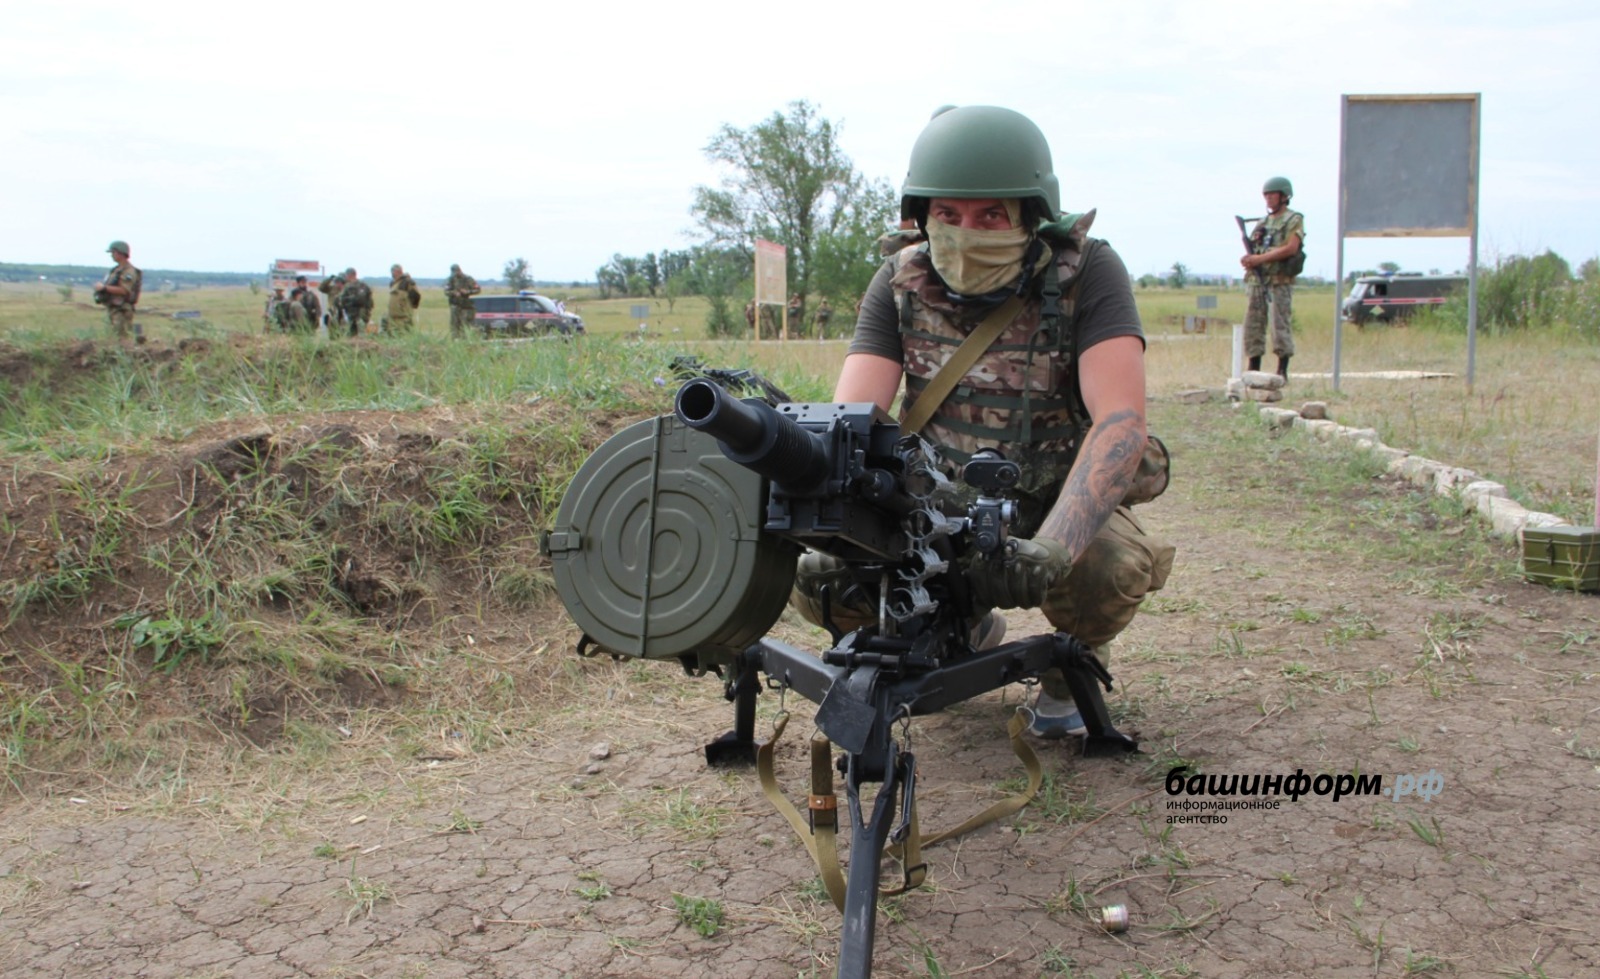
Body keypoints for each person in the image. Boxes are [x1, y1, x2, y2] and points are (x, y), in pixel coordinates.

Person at [794, 105, 1175, 739]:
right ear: (922, 215)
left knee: (1107, 568)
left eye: (990, 215)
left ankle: (1067, 670)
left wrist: (1055, 546)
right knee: (822, 576)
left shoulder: (1088, 274)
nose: (966, 232)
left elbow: (1120, 423)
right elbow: (853, 418)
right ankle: (953, 626)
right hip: (936, 501)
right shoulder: (899, 279)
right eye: (948, 214)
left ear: (1031, 214)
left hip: (1054, 497)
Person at [1240, 176, 1305, 381]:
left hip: (1279, 280)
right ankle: (1254, 368)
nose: (1268, 199)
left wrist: (1259, 259)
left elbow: (1291, 247)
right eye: (1266, 195)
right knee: (1253, 324)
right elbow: (1255, 245)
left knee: (1280, 325)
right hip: (1258, 280)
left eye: (1272, 194)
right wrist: (1249, 260)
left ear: (1284, 196)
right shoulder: (1263, 223)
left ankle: (1282, 370)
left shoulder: (1294, 219)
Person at [95, 240, 141, 340]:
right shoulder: (116, 270)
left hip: (122, 310)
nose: (112, 255)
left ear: (120, 253)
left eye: (113, 252)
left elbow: (124, 290)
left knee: (121, 338)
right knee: (114, 337)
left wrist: (104, 288)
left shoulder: (128, 271)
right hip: (114, 309)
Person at [445, 264, 480, 338]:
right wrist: (454, 293)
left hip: (466, 306)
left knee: (465, 325)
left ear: (460, 270)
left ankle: (465, 341)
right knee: (454, 325)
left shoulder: (468, 279)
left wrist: (467, 292)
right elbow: (446, 291)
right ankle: (455, 341)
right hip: (455, 305)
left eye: (456, 272)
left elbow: (478, 290)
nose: (455, 275)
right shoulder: (451, 279)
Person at [337, 268, 373, 336]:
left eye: (346, 275)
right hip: (350, 315)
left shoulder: (362, 286)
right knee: (351, 335)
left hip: (360, 315)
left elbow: (360, 300)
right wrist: (349, 300)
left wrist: (349, 300)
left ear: (350, 275)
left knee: (361, 335)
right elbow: (342, 300)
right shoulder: (347, 287)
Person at [386, 264, 418, 334]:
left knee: (404, 334)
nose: (392, 273)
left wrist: (407, 308)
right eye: (392, 271)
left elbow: (416, 296)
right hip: (393, 316)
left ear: (399, 271)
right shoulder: (393, 283)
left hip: (403, 317)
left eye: (393, 271)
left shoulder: (407, 282)